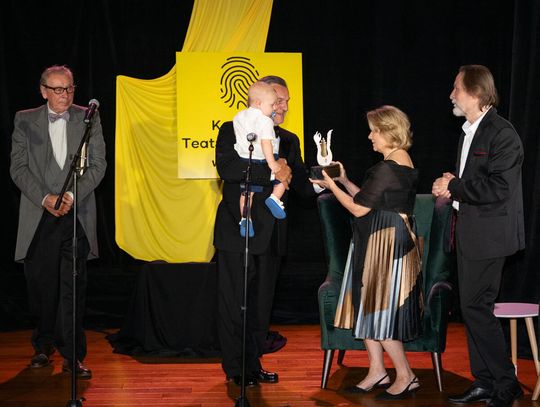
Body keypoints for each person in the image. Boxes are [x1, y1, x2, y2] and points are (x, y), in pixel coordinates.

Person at [214, 75, 322, 386]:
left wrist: (326, 179)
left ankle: (253, 363)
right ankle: (236, 369)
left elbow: (301, 184)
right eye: (280, 100)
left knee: (261, 307)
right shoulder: (232, 128)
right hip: (238, 231)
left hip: (272, 235)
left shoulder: (289, 139)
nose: (284, 106)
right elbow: (229, 169)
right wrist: (277, 169)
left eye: (287, 101)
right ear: (264, 101)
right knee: (234, 303)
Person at [311, 105, 423, 400]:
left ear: (388, 131)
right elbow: (370, 199)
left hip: (386, 243)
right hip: (382, 239)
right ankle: (377, 371)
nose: (370, 137)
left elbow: (359, 208)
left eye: (374, 131)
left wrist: (330, 184)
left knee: (378, 309)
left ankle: (406, 375)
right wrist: (344, 181)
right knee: (368, 306)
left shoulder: (389, 166)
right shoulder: (397, 161)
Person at [432, 65, 524, 407]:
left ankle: (506, 383)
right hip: (471, 233)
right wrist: (453, 185)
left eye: (456, 88)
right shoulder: (469, 131)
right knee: (472, 309)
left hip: (490, 237)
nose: (451, 95)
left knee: (476, 308)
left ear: (475, 92)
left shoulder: (502, 133)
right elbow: (475, 182)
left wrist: (454, 186)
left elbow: (500, 188)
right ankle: (485, 381)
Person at [10, 65, 107, 379]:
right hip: (40, 215)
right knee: (42, 286)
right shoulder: (25, 120)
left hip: (74, 215)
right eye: (57, 89)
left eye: (69, 88)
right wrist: (45, 198)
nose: (64, 95)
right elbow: (18, 167)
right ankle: (43, 344)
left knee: (73, 288)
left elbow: (98, 165)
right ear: (43, 91)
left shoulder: (89, 118)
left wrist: (71, 195)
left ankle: (72, 355)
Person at [233, 81, 286, 238]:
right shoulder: (265, 120)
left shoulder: (238, 117)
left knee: (247, 193)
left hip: (245, 160)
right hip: (263, 159)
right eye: (272, 105)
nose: (275, 108)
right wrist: (272, 163)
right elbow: (265, 143)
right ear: (258, 103)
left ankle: (245, 218)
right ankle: (275, 198)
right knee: (282, 178)